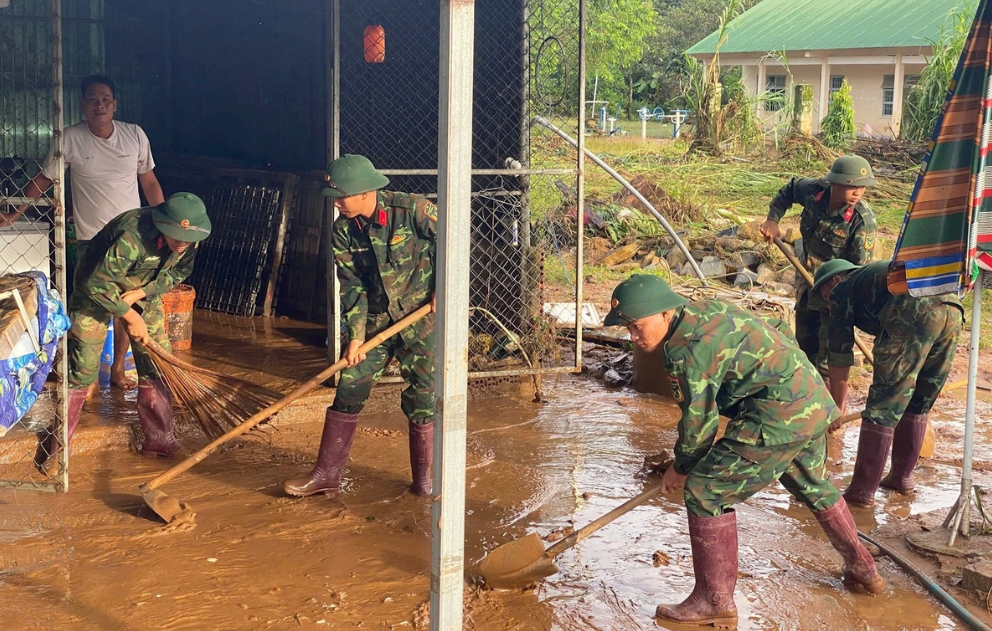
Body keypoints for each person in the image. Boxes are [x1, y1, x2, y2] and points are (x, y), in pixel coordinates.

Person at [604, 274, 883, 626]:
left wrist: (681, 467)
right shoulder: (704, 311)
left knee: (705, 492)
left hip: (777, 412)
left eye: (636, 325)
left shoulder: (685, 349)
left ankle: (713, 601)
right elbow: (778, 327)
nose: (633, 335)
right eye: (627, 328)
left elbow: (700, 425)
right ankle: (863, 567)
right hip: (810, 396)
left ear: (663, 313)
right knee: (810, 483)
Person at [282, 154, 437, 498]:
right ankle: (326, 475)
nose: (336, 205)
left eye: (341, 197)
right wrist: (354, 337)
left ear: (365, 192)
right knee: (350, 387)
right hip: (376, 323)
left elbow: (453, 244)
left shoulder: (412, 210)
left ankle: (423, 480)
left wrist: (444, 288)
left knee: (423, 395)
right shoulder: (342, 231)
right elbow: (351, 286)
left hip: (422, 320)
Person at [4, 74, 166, 391]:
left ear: (115, 105)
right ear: (83, 106)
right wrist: (14, 213)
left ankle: (118, 368)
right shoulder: (69, 139)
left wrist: (162, 220)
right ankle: (86, 377)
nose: (99, 104)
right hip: (94, 240)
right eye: (92, 99)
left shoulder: (134, 136)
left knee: (127, 307)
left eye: (105, 98)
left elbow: (149, 181)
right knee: (92, 311)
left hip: (134, 239)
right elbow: (43, 179)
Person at [39, 192, 210, 471]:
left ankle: (159, 439)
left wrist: (142, 293)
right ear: (162, 224)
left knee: (156, 362)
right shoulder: (132, 236)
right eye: (175, 235)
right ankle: (57, 451)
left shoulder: (189, 241)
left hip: (141, 290)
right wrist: (129, 315)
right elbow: (97, 284)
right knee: (83, 368)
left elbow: (177, 273)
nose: (181, 242)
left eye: (188, 238)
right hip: (95, 289)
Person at [813, 259, 963, 507]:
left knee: (884, 403)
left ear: (834, 280)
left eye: (824, 294)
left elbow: (839, 357)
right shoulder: (870, 278)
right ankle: (901, 478)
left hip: (913, 309)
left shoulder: (843, 288)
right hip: (951, 309)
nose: (827, 302)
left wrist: (837, 408)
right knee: (918, 401)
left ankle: (861, 492)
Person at [759, 155, 878, 383]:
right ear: (834, 183)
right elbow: (789, 189)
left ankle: (826, 408)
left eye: (862, 187)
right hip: (806, 284)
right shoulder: (815, 192)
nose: (858, 192)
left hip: (834, 295)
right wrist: (773, 219)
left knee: (827, 359)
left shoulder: (862, 222)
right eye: (852, 186)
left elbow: (859, 272)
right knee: (804, 348)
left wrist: (840, 302)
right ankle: (802, 396)